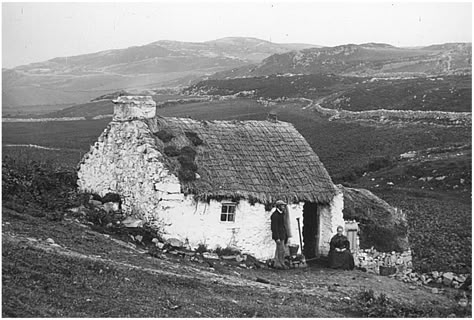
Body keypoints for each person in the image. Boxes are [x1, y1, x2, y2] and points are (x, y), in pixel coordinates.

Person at [271, 200, 290, 269]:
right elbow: (274, 228)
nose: (284, 207)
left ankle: (277, 264)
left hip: (282, 235)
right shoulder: (275, 215)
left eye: (284, 206)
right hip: (279, 236)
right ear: (278, 206)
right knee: (282, 250)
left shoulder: (282, 214)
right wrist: (277, 238)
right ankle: (282, 263)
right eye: (282, 206)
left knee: (279, 250)